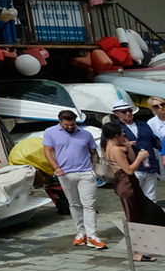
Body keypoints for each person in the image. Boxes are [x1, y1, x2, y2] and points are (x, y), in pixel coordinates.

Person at [102, 119, 165, 261]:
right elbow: (129, 170)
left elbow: (130, 157)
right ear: (116, 134)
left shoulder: (106, 146)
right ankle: (135, 252)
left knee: (152, 210)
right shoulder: (115, 150)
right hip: (127, 185)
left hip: (127, 184)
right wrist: (141, 157)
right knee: (133, 218)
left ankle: (152, 240)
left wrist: (128, 147)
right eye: (122, 134)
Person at [44, 109, 106, 249]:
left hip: (86, 173)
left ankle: (92, 235)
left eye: (72, 124)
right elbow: (47, 151)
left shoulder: (85, 133)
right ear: (60, 122)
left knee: (89, 204)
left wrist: (94, 169)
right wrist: (56, 167)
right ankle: (81, 232)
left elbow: (93, 152)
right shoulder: (50, 132)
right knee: (74, 204)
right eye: (67, 125)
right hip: (65, 173)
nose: (70, 127)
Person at [112, 101, 160, 201]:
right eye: (124, 111)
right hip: (132, 168)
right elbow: (108, 147)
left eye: (130, 111)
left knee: (151, 198)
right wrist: (125, 146)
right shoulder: (113, 128)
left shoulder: (143, 125)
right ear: (116, 113)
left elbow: (155, 141)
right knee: (134, 198)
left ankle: (150, 217)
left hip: (149, 166)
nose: (128, 113)